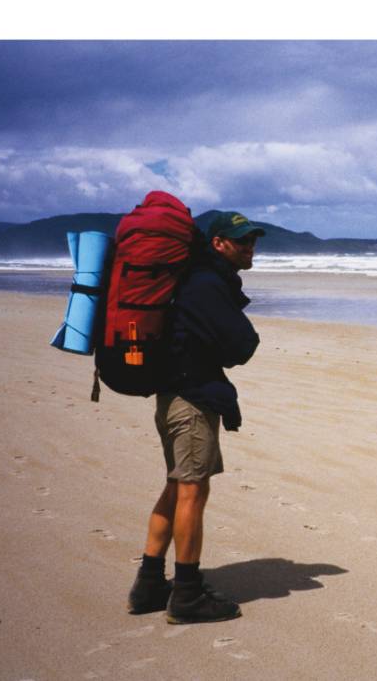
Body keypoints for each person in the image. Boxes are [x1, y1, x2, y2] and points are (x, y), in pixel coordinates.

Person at [127, 211, 265, 624]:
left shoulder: (198, 280)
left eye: (252, 240)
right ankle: (186, 594)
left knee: (176, 487)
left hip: (177, 395)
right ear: (219, 243)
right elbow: (242, 344)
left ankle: (149, 585)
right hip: (190, 401)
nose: (250, 247)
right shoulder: (206, 283)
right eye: (241, 241)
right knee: (191, 491)